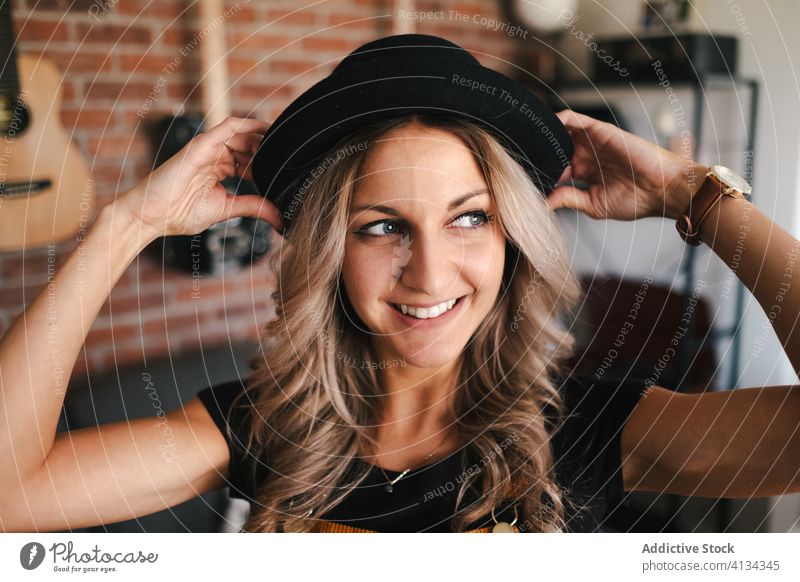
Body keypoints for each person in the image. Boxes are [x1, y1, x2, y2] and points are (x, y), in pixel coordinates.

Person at [1, 34, 798, 533]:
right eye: (381, 225)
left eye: (468, 218)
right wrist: (125, 225)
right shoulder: (263, 428)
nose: (429, 271)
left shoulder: (592, 426)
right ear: (328, 252)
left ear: (512, 238)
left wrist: (696, 197)